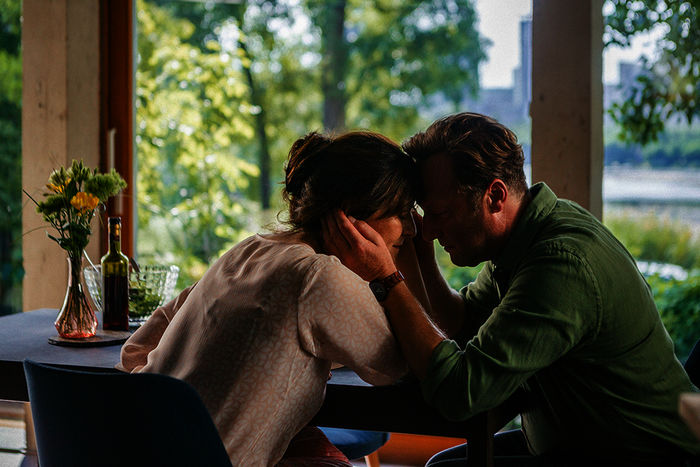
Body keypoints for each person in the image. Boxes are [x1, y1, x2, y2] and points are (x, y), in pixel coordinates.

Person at [323, 112, 700, 466]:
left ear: (495, 196)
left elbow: (461, 394)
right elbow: (462, 321)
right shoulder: (526, 235)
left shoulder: (560, 263)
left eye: (440, 215)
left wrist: (388, 280)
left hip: (643, 454)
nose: (432, 231)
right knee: (445, 464)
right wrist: (418, 256)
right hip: (582, 440)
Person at [117, 131, 416, 466]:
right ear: (351, 216)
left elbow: (135, 351)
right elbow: (395, 368)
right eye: (401, 213)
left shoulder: (249, 250)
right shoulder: (319, 275)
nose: (411, 230)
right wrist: (388, 275)